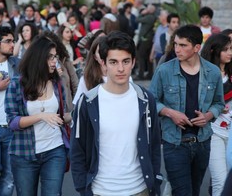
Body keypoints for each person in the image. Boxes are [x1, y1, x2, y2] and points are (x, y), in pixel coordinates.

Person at [70, 31, 161, 196]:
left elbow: (154, 144)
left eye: (125, 61)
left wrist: (155, 179)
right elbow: (78, 150)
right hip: (100, 190)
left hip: (139, 189)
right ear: (103, 64)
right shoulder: (88, 102)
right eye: (113, 62)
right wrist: (83, 189)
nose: (120, 68)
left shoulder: (146, 100)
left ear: (133, 62)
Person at [149, 25, 224, 196]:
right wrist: (170, 113)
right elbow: (151, 101)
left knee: (194, 191)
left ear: (197, 47)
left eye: (183, 45)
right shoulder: (164, 70)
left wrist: (208, 115)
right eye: (175, 44)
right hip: (174, 143)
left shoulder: (212, 72)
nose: (177, 49)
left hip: (202, 142)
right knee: (182, 192)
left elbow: (219, 103)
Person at [5, 35, 70, 196]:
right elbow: (12, 122)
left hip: (55, 150)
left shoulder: (57, 83)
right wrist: (41, 116)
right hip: (23, 154)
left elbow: (60, 116)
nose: (54, 61)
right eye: (50, 57)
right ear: (38, 58)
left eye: (55, 56)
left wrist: (78, 114)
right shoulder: (16, 84)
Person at [200, 34, 232, 196]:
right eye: (225, 50)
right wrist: (217, 107)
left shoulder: (231, 73)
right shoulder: (205, 74)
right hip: (214, 132)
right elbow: (198, 102)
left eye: (231, 49)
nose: (230, 53)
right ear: (214, 50)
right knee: (220, 180)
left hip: (230, 132)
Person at [0, 27, 19, 196]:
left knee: (9, 176)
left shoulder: (17, 64)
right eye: (8, 41)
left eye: (13, 41)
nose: (12, 44)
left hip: (12, 128)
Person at [40, 31, 79, 113]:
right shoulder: (38, 64)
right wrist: (52, 75)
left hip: (68, 110)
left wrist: (75, 108)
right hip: (49, 112)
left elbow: (75, 84)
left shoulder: (64, 60)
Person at [135, 4, 157, 80]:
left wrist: (142, 13)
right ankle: (149, 74)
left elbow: (137, 19)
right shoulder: (153, 17)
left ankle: (141, 74)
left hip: (145, 40)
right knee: (148, 57)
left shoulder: (149, 17)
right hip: (149, 39)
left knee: (141, 56)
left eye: (147, 9)